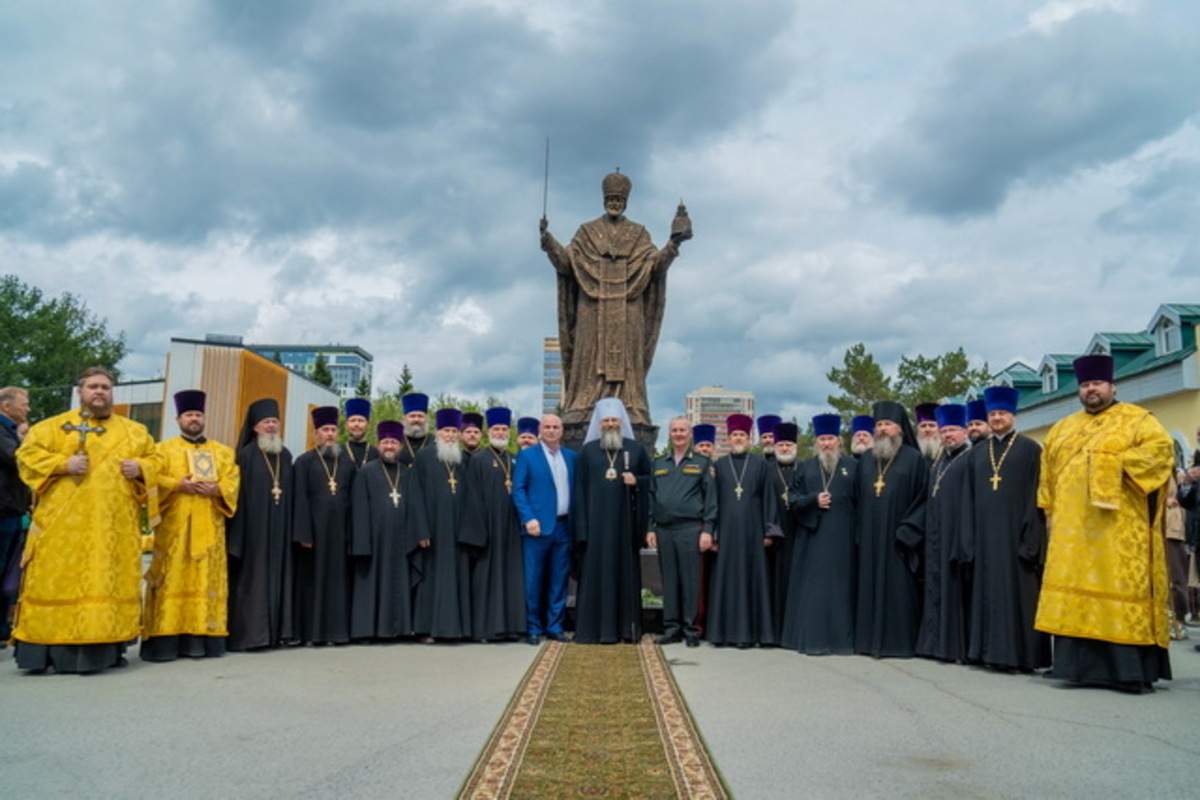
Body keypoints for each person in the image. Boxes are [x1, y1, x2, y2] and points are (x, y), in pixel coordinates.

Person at [1037, 354, 1175, 692]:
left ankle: (1127, 672)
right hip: (1072, 535)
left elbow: (1161, 454)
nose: (1090, 390)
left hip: (1119, 535)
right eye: (1084, 385)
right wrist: (1050, 516)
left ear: (1113, 386)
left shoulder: (1138, 420)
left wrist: (1107, 463)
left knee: (1118, 595)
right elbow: (1047, 480)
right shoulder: (1062, 427)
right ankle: (1075, 668)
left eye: (1097, 384)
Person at [13, 367, 161, 673]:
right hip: (61, 530)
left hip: (112, 531)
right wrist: (62, 463)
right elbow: (25, 457)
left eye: (105, 387)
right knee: (55, 584)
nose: (99, 392)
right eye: (92, 386)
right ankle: (47, 654)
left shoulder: (135, 432)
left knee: (106, 584)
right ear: (80, 392)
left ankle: (105, 650)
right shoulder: (51, 428)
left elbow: (156, 460)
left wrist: (142, 468)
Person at [540, 171, 689, 427]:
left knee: (629, 366)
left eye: (619, 199)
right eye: (611, 198)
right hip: (591, 309)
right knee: (587, 359)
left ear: (626, 202)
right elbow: (567, 264)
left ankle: (630, 407)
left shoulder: (639, 234)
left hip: (629, 310)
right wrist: (548, 241)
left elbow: (655, 269)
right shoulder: (587, 233)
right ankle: (583, 407)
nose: (615, 202)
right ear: (603, 199)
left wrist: (674, 243)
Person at [142, 390, 240, 662]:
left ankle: (203, 640)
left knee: (206, 579)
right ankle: (165, 642)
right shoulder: (162, 451)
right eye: (189, 415)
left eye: (198, 415)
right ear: (178, 419)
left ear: (204, 418)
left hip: (210, 528)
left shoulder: (222, 453)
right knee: (171, 580)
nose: (194, 419)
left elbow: (233, 482)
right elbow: (150, 480)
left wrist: (218, 488)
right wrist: (178, 484)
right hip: (174, 530)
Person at [960, 386, 1050, 672]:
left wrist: (1031, 538)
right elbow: (967, 499)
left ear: (1013, 415)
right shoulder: (976, 454)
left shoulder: (1030, 449)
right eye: (993, 414)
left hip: (1016, 538)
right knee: (986, 596)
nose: (997, 418)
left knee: (1019, 597)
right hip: (985, 539)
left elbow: (1037, 498)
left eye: (1002, 413)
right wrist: (968, 540)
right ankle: (986, 654)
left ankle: (1023, 658)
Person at [572, 398, 651, 644]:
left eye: (614, 420)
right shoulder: (588, 451)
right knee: (594, 576)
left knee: (623, 575)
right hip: (595, 531)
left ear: (621, 422)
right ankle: (593, 629)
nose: (610, 424)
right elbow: (579, 492)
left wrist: (637, 481)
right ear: (599, 424)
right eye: (606, 420)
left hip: (623, 528)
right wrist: (582, 529)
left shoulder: (636, 450)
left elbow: (651, 483)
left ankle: (624, 630)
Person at [853, 400, 928, 658]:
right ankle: (867, 642)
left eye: (888, 424)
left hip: (900, 540)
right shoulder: (865, 460)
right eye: (879, 424)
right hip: (870, 540)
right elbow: (854, 500)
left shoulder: (915, 459)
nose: (883, 429)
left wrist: (908, 532)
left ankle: (899, 643)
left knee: (899, 591)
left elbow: (924, 499)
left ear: (900, 429)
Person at [781, 413, 856, 655]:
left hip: (843, 539)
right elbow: (792, 501)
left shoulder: (852, 467)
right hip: (812, 540)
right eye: (822, 439)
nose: (826, 443)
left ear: (839, 441)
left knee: (840, 590)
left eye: (830, 439)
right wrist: (813, 500)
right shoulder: (805, 467)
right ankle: (812, 640)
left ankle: (840, 641)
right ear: (816, 442)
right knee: (814, 590)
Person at [707, 413, 780, 648]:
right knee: (727, 581)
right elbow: (713, 502)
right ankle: (723, 634)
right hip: (727, 534)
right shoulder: (718, 466)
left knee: (754, 580)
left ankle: (754, 634)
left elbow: (770, 499)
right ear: (729, 438)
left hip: (753, 532)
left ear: (749, 439)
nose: (738, 438)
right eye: (734, 435)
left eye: (742, 435)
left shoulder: (760, 464)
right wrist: (714, 533)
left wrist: (769, 531)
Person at [227, 397, 294, 651]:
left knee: (279, 579)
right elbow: (237, 497)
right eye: (266, 422)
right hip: (252, 532)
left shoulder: (285, 455)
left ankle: (276, 634)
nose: (271, 426)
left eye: (275, 421)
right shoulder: (244, 456)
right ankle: (252, 636)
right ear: (255, 427)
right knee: (252, 582)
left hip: (280, 530)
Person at [646, 416, 716, 647]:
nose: (678, 434)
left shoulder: (702, 463)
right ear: (669, 433)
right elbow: (651, 498)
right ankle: (672, 627)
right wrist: (650, 528)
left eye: (682, 431)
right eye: (674, 430)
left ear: (690, 434)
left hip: (690, 529)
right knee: (670, 581)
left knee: (690, 581)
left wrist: (708, 530)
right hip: (665, 530)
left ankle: (691, 629)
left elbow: (711, 501)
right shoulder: (658, 463)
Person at [460, 407, 526, 642]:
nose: (500, 432)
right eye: (496, 429)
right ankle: (485, 630)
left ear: (509, 431)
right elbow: (471, 497)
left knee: (511, 577)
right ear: (489, 432)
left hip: (511, 529)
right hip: (487, 530)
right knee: (486, 579)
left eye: (504, 429)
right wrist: (478, 532)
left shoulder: (516, 459)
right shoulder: (478, 460)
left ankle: (512, 627)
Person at [292, 406, 356, 646]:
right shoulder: (304, 462)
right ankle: (312, 634)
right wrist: (303, 532)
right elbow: (299, 500)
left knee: (338, 583)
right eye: (325, 430)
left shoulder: (348, 464)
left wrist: (351, 533)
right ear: (315, 434)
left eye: (333, 430)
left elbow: (353, 502)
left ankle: (337, 633)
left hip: (340, 534)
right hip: (314, 536)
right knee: (313, 583)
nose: (329, 434)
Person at [512, 413, 576, 645]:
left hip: (564, 526)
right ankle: (533, 627)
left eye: (555, 427)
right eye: (547, 427)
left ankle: (555, 626)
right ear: (540, 430)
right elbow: (518, 490)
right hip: (536, 529)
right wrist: (528, 518)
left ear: (562, 430)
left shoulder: (571, 457)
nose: (551, 431)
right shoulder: (528, 456)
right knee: (533, 579)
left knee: (559, 580)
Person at [350, 420, 416, 642]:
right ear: (379, 445)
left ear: (400, 447)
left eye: (394, 443)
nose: (389, 446)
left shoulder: (407, 473)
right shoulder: (366, 472)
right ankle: (370, 631)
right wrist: (361, 543)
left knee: (399, 582)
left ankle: (399, 629)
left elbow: (415, 506)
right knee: (373, 584)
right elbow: (359, 510)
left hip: (401, 539)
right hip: (375, 541)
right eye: (386, 442)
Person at [915, 404, 972, 663]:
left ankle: (955, 647)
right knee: (935, 586)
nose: (948, 435)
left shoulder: (970, 458)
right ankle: (934, 645)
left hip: (957, 533)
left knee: (954, 589)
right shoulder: (939, 461)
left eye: (953, 430)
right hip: (936, 533)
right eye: (944, 430)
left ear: (965, 431)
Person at [411, 408, 470, 642]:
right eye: (446, 430)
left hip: (457, 531)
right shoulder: (424, 457)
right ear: (437, 432)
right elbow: (415, 495)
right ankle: (429, 630)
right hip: (433, 533)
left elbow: (471, 496)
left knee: (457, 579)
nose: (451, 435)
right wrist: (421, 529)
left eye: (455, 431)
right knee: (431, 581)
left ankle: (456, 629)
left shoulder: (463, 459)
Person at [0, 386, 31, 644]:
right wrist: (23, 439)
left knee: (8, 574)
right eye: (24, 404)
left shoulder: (11, 431)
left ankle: (2, 627)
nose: (28, 409)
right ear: (7, 406)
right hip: (2, 510)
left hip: (13, 509)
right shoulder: (2, 431)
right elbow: (16, 458)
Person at [767, 421, 801, 638]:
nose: (785, 448)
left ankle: (794, 630)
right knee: (772, 584)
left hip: (799, 535)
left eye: (789, 444)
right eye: (781, 445)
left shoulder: (806, 468)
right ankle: (773, 631)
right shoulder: (765, 469)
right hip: (774, 537)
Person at [342, 397, 378, 470]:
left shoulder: (377, 454)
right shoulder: (337, 452)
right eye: (352, 420)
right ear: (346, 425)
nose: (356, 424)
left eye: (361, 420)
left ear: (368, 425)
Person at [398, 393, 433, 466]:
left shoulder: (435, 442)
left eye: (420, 416)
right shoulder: (396, 441)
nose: (416, 419)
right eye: (412, 416)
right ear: (404, 418)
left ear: (426, 418)